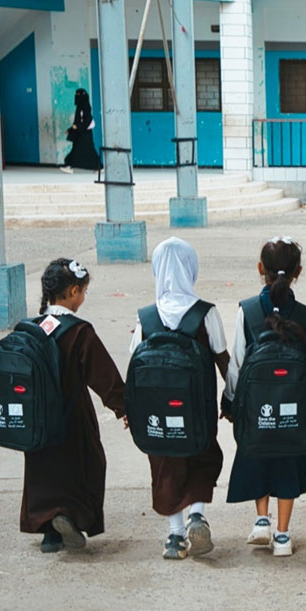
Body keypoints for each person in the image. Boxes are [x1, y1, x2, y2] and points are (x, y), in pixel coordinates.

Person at [129, 237, 229, 560]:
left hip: (157, 414)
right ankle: (197, 514)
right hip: (197, 412)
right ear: (191, 268)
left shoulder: (145, 318)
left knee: (164, 465)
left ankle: (174, 537)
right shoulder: (206, 313)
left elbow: (134, 366)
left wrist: (131, 410)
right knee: (202, 456)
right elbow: (224, 361)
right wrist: (235, 398)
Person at [22, 258, 127, 553]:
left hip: (38, 420)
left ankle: (49, 531)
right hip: (73, 416)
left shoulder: (32, 327)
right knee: (87, 463)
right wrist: (124, 408)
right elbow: (104, 377)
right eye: (82, 292)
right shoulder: (79, 331)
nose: (82, 298)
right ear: (71, 291)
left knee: (43, 469)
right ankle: (70, 516)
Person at [224, 237, 306, 557]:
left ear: (260, 269)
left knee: (258, 453)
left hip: (255, 405)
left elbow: (236, 362)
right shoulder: (305, 314)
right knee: (288, 463)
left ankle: (261, 520)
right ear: (298, 272)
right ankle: (283, 536)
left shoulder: (246, 310)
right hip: (293, 408)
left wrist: (231, 401)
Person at [61, 88, 100, 173]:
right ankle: (98, 167)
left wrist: (78, 127)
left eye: (78, 95)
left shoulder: (85, 106)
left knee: (82, 151)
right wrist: (71, 129)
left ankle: (69, 166)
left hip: (84, 134)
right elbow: (78, 121)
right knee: (86, 151)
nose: (76, 97)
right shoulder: (80, 107)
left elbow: (87, 120)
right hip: (81, 134)